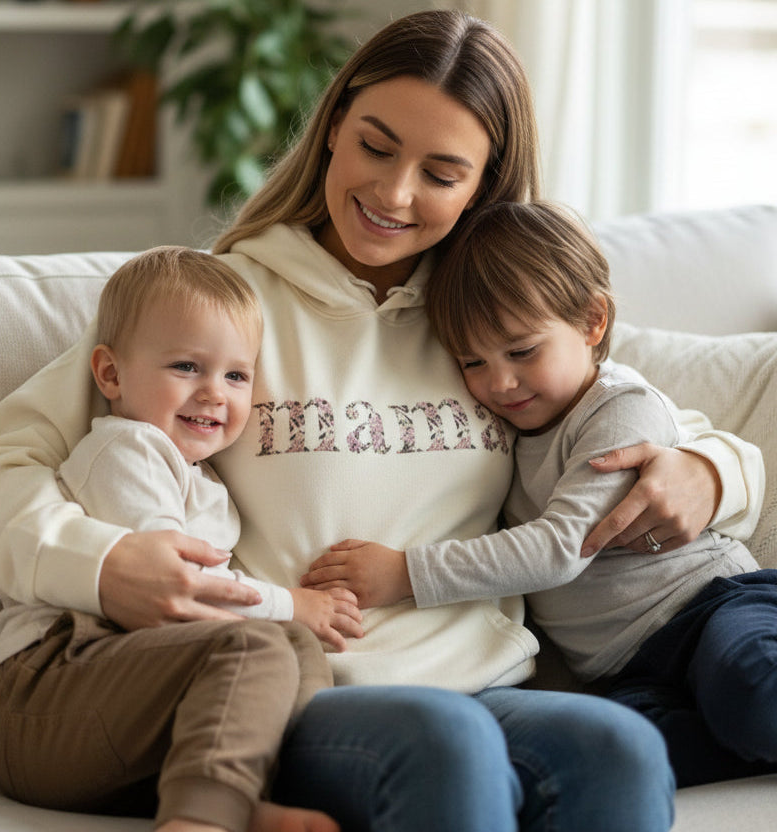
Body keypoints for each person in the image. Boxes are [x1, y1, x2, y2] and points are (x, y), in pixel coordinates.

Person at [0, 9, 765, 832]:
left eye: (441, 174)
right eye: (376, 146)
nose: (393, 193)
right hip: (309, 694)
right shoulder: (219, 307)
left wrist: (713, 473)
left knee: (620, 749)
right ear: (335, 126)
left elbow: (652, 417)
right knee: (443, 744)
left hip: (488, 688)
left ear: (482, 185)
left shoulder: (488, 326)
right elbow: (2, 467)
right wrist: (107, 562)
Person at [301, 200, 777, 788]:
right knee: (603, 754)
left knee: (752, 687)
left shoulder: (619, 407)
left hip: (714, 608)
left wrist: (406, 573)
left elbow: (559, 549)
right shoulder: (503, 433)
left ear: (592, 322)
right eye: (473, 361)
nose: (499, 382)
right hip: (628, 669)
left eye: (523, 351)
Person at [0, 245, 363, 832]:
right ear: (110, 374)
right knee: (259, 643)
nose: (216, 392)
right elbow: (183, 594)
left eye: (236, 375)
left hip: (118, 720)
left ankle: (236, 794)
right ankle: (202, 820)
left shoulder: (205, 481)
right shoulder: (128, 450)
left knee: (297, 651)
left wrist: (293, 624)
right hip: (47, 695)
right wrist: (294, 602)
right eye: (187, 367)